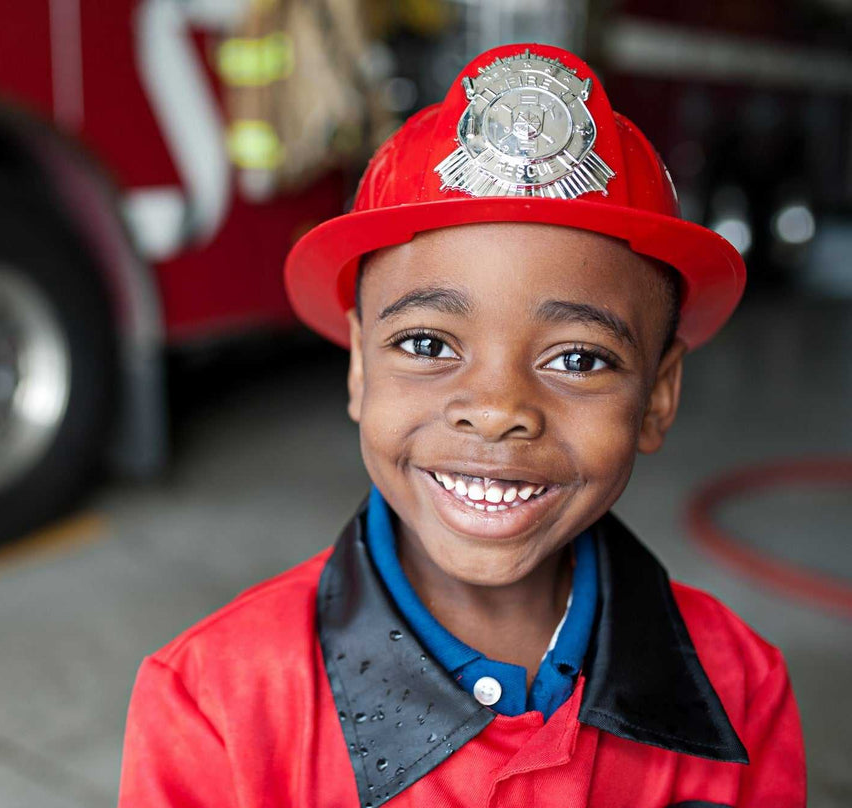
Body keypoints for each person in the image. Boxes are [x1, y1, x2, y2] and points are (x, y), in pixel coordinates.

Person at [118, 43, 805, 807]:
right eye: (426, 345)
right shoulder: (215, 703)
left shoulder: (740, 687)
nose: (497, 409)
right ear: (356, 369)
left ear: (658, 397)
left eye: (578, 359)